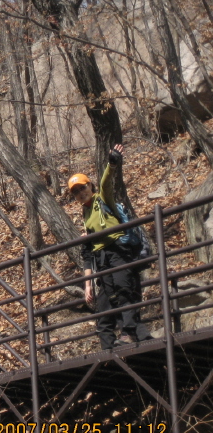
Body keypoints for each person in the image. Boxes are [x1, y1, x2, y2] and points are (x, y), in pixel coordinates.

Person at [69, 144, 151, 350]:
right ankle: (120, 339)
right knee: (110, 296)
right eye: (76, 192)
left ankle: (129, 333)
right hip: (102, 257)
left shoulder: (101, 199)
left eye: (83, 187)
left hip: (118, 250)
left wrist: (112, 163)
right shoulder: (86, 213)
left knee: (124, 290)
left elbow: (106, 184)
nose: (80, 193)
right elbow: (88, 250)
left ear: (90, 186)